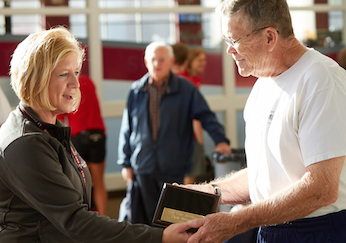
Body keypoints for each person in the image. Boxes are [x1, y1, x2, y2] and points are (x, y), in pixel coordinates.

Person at [180, 0, 346, 243]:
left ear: (270, 37)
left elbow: (321, 189)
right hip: (274, 228)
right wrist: (209, 191)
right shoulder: (263, 84)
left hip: (320, 231)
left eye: (234, 40)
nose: (229, 50)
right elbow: (266, 174)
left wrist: (236, 222)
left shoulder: (321, 79)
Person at [0, 27, 194, 242]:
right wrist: (160, 237)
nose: (75, 83)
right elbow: (76, 222)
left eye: (76, 72)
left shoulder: (48, 129)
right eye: (64, 74)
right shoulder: (27, 143)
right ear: (35, 78)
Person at [117, 41, 231, 226]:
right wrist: (125, 162)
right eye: (153, 59)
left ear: (171, 61)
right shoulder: (137, 90)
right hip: (142, 165)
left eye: (161, 59)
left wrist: (221, 141)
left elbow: (206, 116)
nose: (157, 64)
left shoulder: (186, 89)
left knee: (169, 221)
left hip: (172, 165)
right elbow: (127, 128)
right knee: (143, 222)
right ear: (146, 61)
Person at [58, 75, 108, 216]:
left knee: (79, 184)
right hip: (98, 135)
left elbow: (60, 117)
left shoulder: (65, 85)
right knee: (99, 183)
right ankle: (105, 224)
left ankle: (83, 221)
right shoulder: (89, 82)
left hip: (78, 136)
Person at [178, 47, 208, 184]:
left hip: (188, 134)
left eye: (204, 60)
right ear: (190, 61)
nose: (203, 63)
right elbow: (193, 112)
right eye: (200, 60)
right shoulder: (184, 80)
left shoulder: (195, 79)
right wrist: (200, 140)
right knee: (190, 174)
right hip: (188, 135)